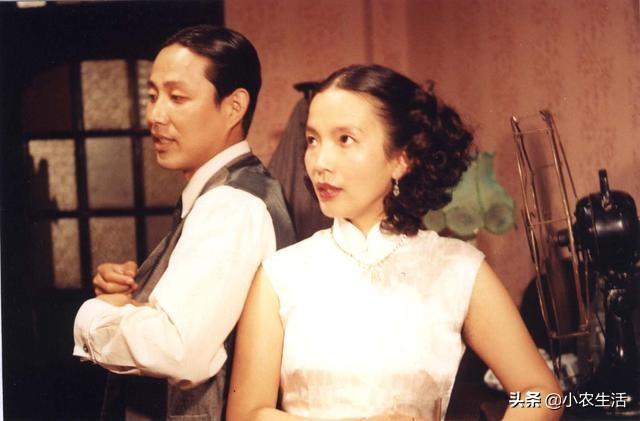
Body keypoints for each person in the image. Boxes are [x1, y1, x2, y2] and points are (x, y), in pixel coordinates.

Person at [226, 64, 563, 420]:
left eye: (345, 139)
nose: (320, 162)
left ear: (402, 158)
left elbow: (543, 394)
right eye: (312, 140)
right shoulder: (280, 275)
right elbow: (246, 414)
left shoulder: (458, 268)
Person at [72, 25, 295, 420]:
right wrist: (133, 300)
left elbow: (179, 348)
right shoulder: (223, 194)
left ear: (234, 107)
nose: (155, 115)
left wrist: (95, 315)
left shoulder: (230, 205)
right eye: (152, 96)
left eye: (177, 98)